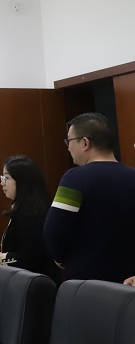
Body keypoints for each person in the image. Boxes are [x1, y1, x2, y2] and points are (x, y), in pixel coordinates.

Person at [43, 112, 135, 283]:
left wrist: (60, 258)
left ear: (85, 143)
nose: (68, 148)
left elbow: (54, 229)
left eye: (69, 141)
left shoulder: (75, 178)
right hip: (129, 282)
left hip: (88, 284)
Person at [0, 155, 57, 279]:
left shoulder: (31, 213)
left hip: (36, 283)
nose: (2, 183)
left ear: (22, 181)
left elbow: (31, 257)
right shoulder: (25, 209)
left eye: (6, 178)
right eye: (2, 178)